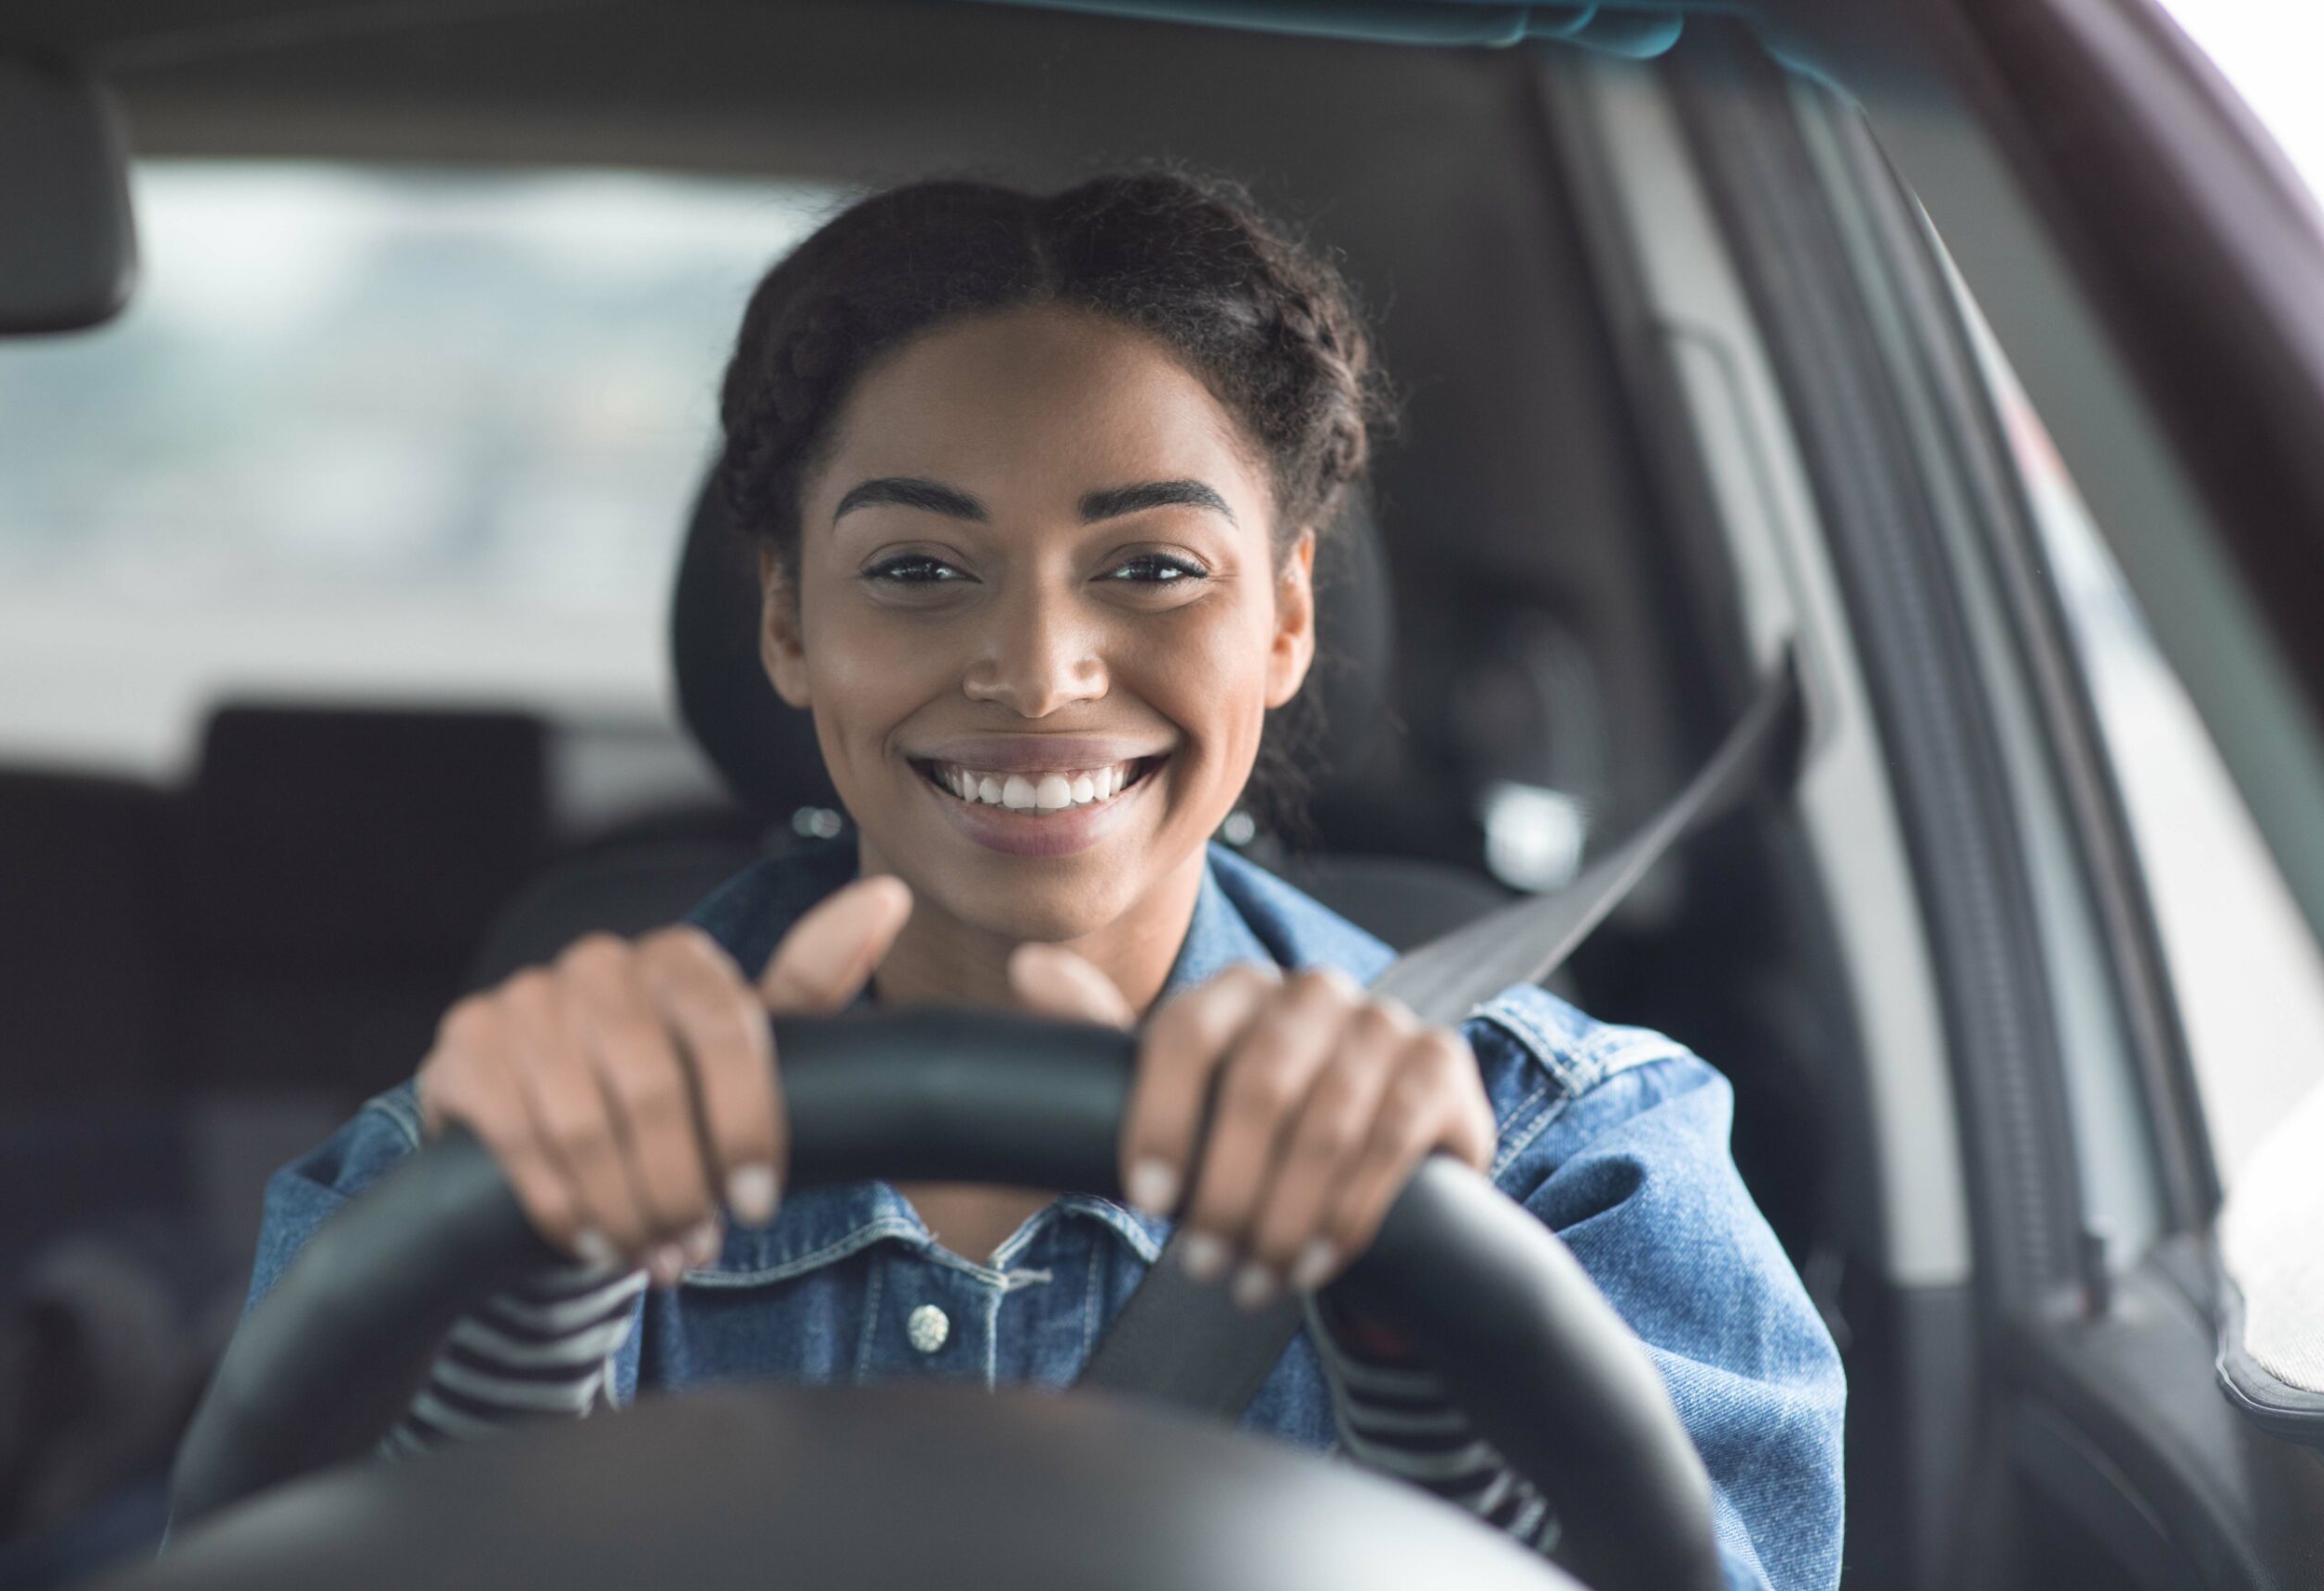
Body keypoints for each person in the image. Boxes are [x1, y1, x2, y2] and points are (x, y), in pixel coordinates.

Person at [246, 170, 1843, 1589]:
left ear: (1286, 620)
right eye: (919, 572)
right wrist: (518, 1322)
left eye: (1151, 567)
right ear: (790, 622)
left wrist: (1436, 1378)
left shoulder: (1569, 1169)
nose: (1036, 670)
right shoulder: (467, 1178)